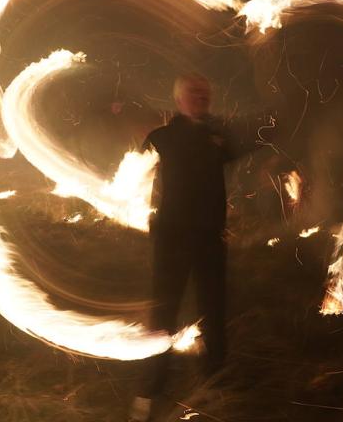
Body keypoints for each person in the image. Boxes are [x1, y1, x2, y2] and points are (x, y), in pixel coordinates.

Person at [129, 73, 255, 422]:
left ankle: (215, 381)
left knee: (213, 311)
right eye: (193, 92)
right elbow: (135, 177)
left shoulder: (220, 137)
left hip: (210, 238)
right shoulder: (162, 138)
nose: (200, 97)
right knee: (163, 316)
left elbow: (253, 138)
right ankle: (149, 392)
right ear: (179, 99)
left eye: (205, 92)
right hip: (172, 240)